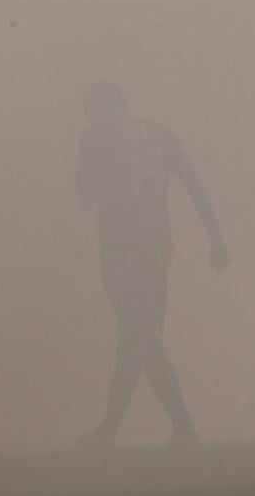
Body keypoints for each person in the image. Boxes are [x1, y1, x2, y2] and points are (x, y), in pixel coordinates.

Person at [75, 82, 230, 450]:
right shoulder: (159, 134)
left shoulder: (95, 139)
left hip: (122, 251)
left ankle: (179, 428)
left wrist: (98, 159)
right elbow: (194, 184)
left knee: (139, 338)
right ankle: (115, 431)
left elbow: (84, 197)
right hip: (154, 250)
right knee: (137, 339)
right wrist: (215, 238)